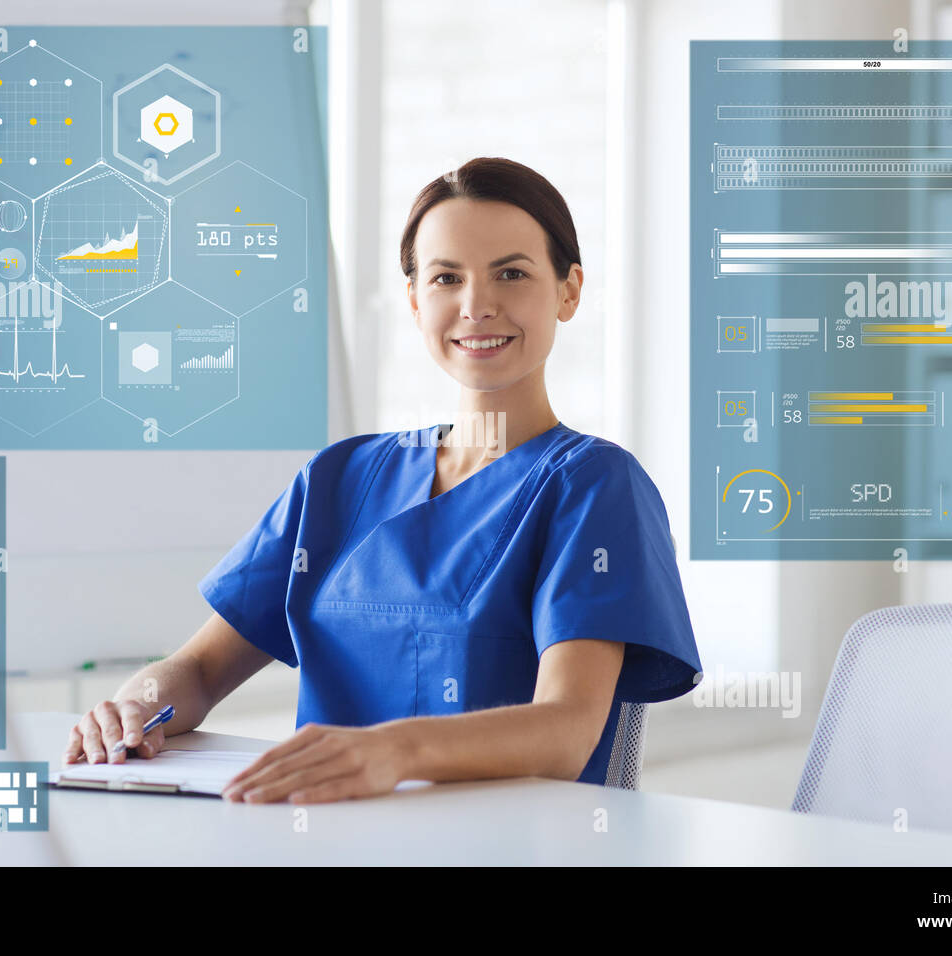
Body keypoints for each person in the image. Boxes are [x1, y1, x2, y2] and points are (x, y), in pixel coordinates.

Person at [65, 157, 701, 803]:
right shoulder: (340, 478)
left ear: (568, 291)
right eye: (446, 278)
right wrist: (135, 707)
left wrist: (392, 750)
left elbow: (567, 732)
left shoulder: (592, 485)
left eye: (510, 273)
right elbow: (198, 670)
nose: (477, 304)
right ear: (416, 298)